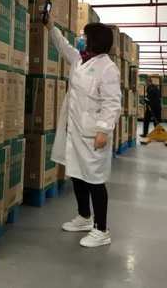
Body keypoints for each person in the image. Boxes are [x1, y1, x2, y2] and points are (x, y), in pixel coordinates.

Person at [47, 21, 122, 248]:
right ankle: (84, 217)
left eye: (85, 36)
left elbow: (112, 103)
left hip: (92, 133)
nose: (82, 39)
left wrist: (103, 130)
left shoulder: (107, 68)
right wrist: (51, 27)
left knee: (94, 179)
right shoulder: (81, 60)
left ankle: (102, 229)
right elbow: (64, 47)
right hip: (75, 129)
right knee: (77, 173)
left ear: (94, 39)